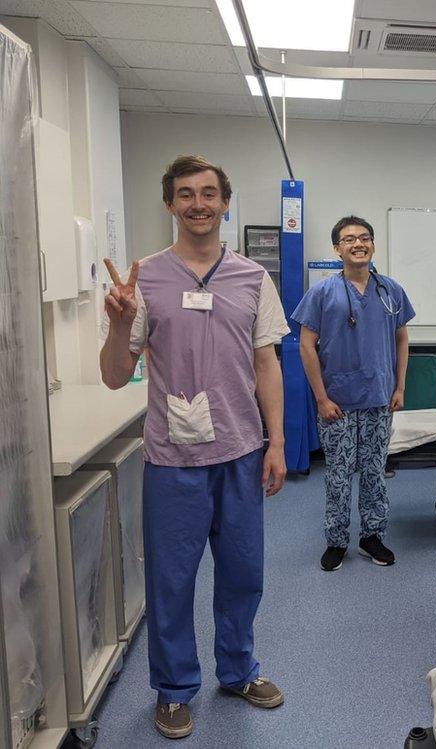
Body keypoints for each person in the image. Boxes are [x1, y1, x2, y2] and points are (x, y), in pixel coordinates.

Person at [100, 155, 290, 739]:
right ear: (170, 204)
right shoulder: (147, 279)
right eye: (186, 194)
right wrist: (117, 324)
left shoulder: (254, 279)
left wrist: (276, 442)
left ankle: (237, 670)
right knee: (172, 579)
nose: (199, 204)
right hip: (171, 459)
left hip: (238, 451)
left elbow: (267, 365)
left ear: (225, 202)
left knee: (242, 573)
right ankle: (174, 688)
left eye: (209, 193)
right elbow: (113, 375)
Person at [292, 216, 414, 572]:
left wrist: (400, 386)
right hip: (338, 403)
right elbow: (305, 345)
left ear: (373, 245)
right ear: (337, 248)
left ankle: (372, 537)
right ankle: (336, 540)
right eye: (349, 239)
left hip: (379, 397)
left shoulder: (391, 290)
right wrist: (321, 398)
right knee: (339, 474)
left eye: (364, 238)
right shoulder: (322, 293)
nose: (357, 244)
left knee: (375, 472)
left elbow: (402, 338)